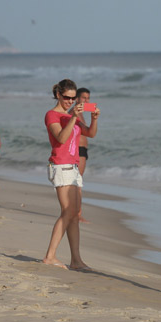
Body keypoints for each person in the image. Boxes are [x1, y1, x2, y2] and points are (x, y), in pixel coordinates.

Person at [43, 79, 100, 270]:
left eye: (73, 98)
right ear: (58, 95)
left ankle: (76, 260)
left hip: (73, 167)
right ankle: (50, 256)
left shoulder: (71, 116)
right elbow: (61, 137)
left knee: (74, 214)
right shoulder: (52, 115)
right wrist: (74, 117)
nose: (70, 101)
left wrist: (94, 118)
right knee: (67, 212)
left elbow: (90, 134)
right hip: (61, 166)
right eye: (67, 97)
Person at [76, 87, 91, 223]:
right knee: (78, 182)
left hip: (82, 150)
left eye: (88, 98)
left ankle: (76, 212)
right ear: (77, 98)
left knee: (78, 181)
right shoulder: (74, 113)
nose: (86, 101)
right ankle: (77, 213)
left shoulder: (81, 113)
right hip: (78, 150)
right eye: (84, 98)